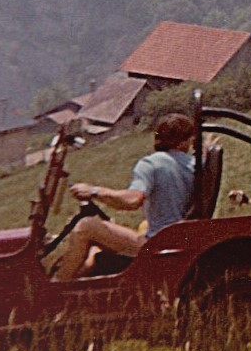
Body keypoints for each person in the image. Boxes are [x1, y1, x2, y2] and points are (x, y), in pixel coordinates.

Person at [53, 112, 197, 281]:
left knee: (86, 227)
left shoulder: (152, 164)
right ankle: (84, 284)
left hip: (158, 242)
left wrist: (94, 191)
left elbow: (133, 200)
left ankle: (55, 287)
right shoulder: (193, 164)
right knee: (98, 243)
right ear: (187, 140)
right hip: (181, 237)